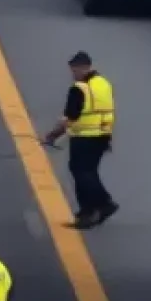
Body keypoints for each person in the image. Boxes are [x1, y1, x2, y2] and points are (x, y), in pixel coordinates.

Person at [42, 51, 118, 229]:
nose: (73, 74)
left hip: (84, 137)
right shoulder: (104, 83)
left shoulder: (79, 88)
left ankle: (97, 206)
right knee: (89, 171)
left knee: (81, 173)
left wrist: (53, 135)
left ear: (83, 67)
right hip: (102, 135)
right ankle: (91, 209)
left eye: (74, 70)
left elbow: (70, 117)